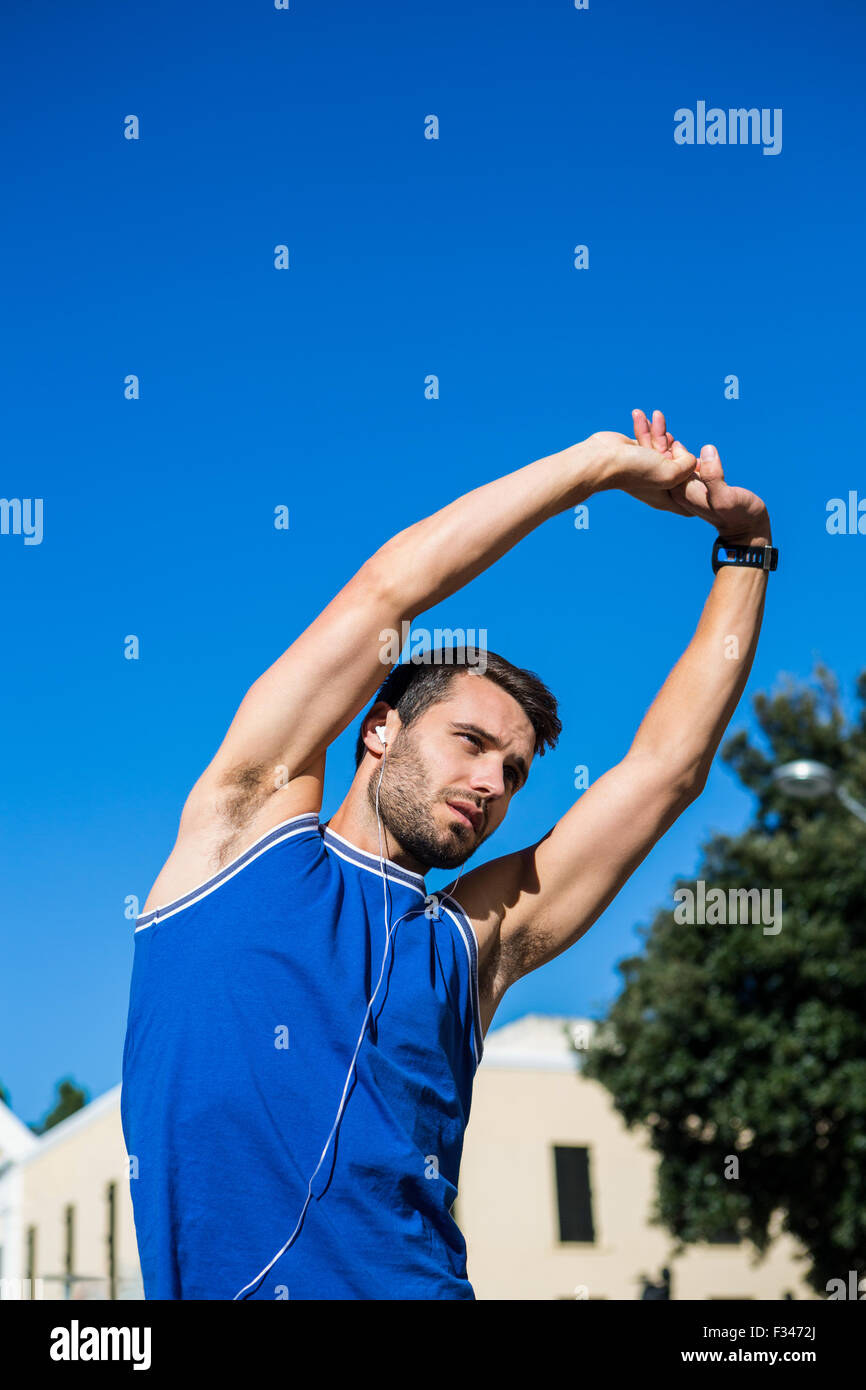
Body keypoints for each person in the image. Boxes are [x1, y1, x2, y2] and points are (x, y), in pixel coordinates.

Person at [120, 408, 775, 1299]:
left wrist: (745, 551)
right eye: (470, 741)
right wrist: (594, 468)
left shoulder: (471, 944)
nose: (492, 782)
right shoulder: (243, 831)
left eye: (512, 771)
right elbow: (389, 593)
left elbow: (664, 774)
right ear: (379, 726)